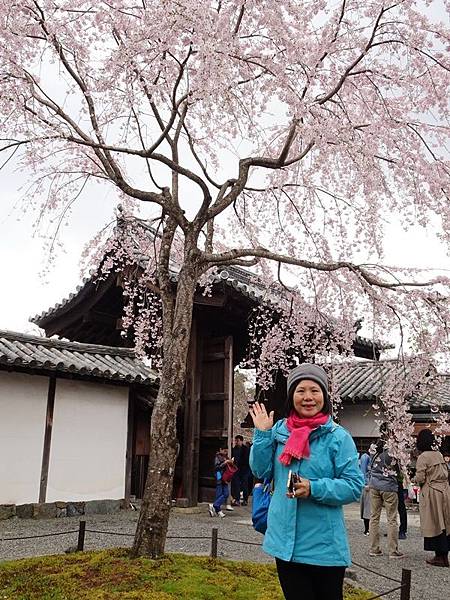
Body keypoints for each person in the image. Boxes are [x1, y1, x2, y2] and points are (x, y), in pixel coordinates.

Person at [249, 363, 364, 600]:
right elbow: (261, 469)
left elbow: (353, 486)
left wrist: (314, 488)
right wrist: (261, 434)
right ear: (292, 396)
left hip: (324, 546)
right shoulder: (279, 431)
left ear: (324, 395)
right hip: (285, 543)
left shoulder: (337, 437)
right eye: (301, 391)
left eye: (315, 390)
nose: (308, 397)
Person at [414, 429, 450, 568]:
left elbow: (421, 477)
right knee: (445, 523)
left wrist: (412, 479)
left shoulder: (423, 457)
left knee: (435, 523)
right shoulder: (439, 454)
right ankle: (444, 556)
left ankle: (439, 557)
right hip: (445, 491)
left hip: (432, 492)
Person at [368, 438, 404, 559]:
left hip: (374, 485)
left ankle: (374, 548)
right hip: (389, 487)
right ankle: (393, 550)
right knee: (392, 518)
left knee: (374, 517)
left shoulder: (373, 449)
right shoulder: (392, 451)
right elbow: (399, 471)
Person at [208, 447, 234, 518]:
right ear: (220, 449)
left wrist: (230, 462)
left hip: (225, 477)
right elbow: (217, 467)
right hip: (219, 476)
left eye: (226, 451)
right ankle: (218, 510)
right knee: (219, 494)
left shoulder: (225, 457)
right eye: (224, 450)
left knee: (226, 494)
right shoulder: (217, 457)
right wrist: (225, 463)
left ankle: (214, 506)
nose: (225, 452)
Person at [231, 435, 250, 506]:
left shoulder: (246, 449)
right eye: (235, 441)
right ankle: (237, 499)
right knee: (236, 484)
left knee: (244, 484)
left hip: (244, 469)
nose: (236, 442)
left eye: (237, 441)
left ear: (241, 441)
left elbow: (247, 460)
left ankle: (245, 499)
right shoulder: (234, 449)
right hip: (236, 469)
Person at [359, 450, 371, 536]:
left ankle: (368, 529)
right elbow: (363, 471)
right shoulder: (365, 457)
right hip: (367, 485)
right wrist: (365, 484)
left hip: (369, 484)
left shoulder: (366, 457)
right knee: (367, 508)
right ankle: (367, 529)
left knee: (367, 508)